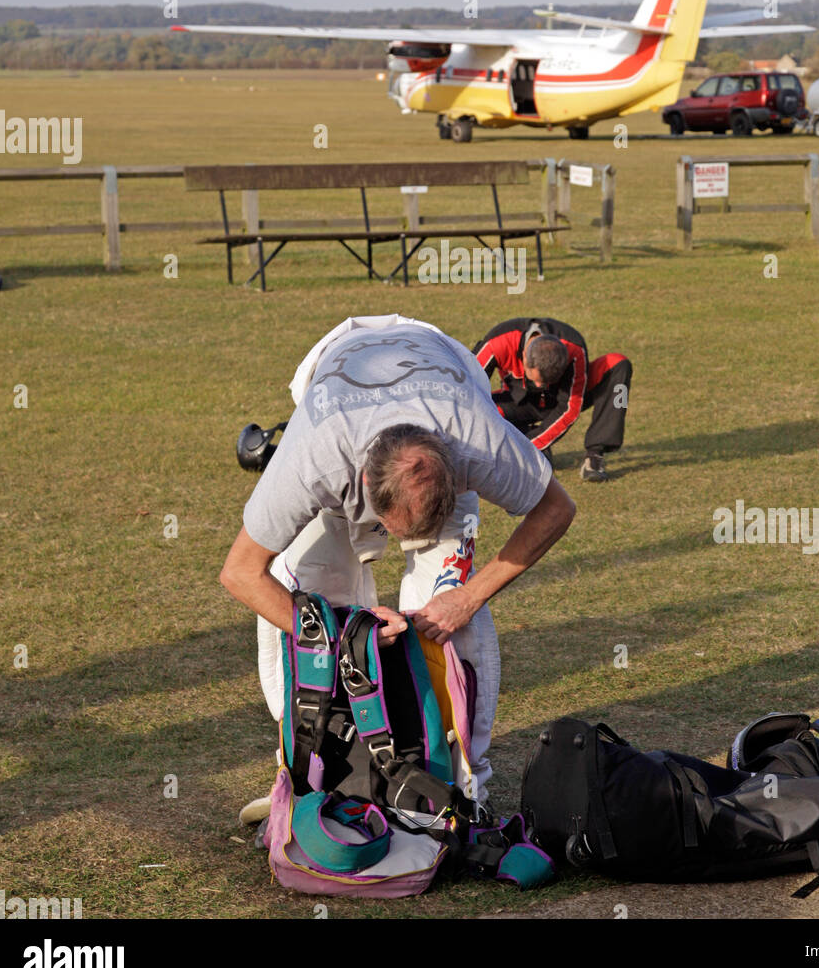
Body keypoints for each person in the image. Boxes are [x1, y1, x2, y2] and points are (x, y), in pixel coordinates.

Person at [221, 314, 576, 809]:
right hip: (336, 386)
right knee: (313, 596)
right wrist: (339, 631)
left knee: (444, 613)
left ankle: (465, 779)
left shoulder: (475, 440)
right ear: (365, 489)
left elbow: (557, 509)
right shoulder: (314, 458)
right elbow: (241, 573)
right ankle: (303, 765)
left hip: (444, 373)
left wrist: (468, 596)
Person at [473, 317, 632, 482]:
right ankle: (527, 445)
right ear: (525, 359)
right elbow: (465, 387)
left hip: (560, 401)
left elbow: (569, 409)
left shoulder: (574, 348)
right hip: (517, 402)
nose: (539, 386)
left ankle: (595, 457)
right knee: (483, 411)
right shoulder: (498, 342)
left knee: (618, 364)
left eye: (546, 382)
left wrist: (530, 447)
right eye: (535, 380)